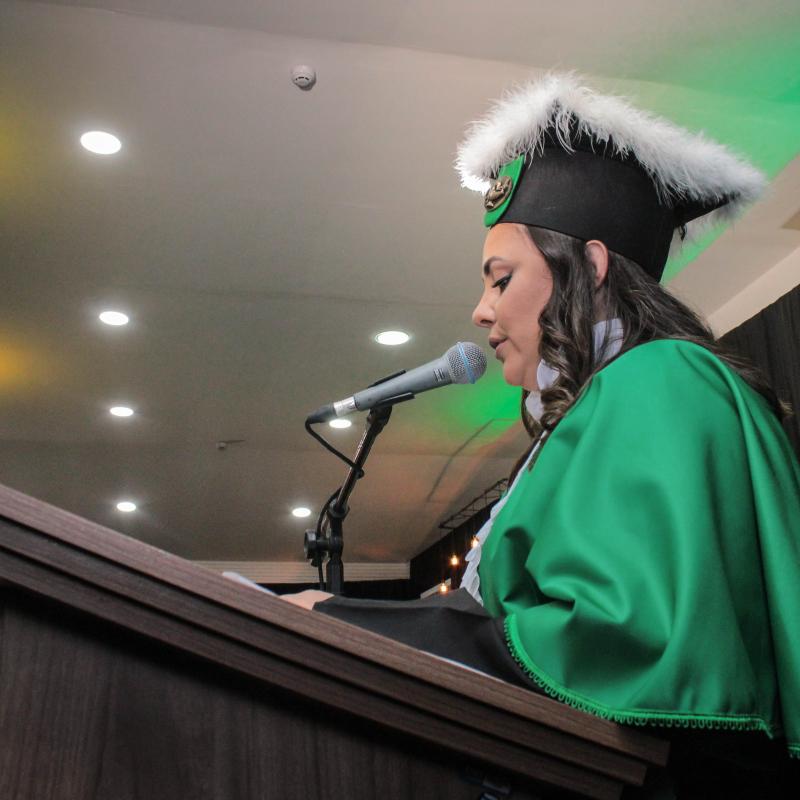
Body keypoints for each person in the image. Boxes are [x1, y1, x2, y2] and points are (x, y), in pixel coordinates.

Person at [280, 74, 800, 780]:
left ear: (590, 265)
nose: (480, 311)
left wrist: (353, 620)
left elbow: (621, 644)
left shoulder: (662, 379)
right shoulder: (608, 402)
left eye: (501, 279)